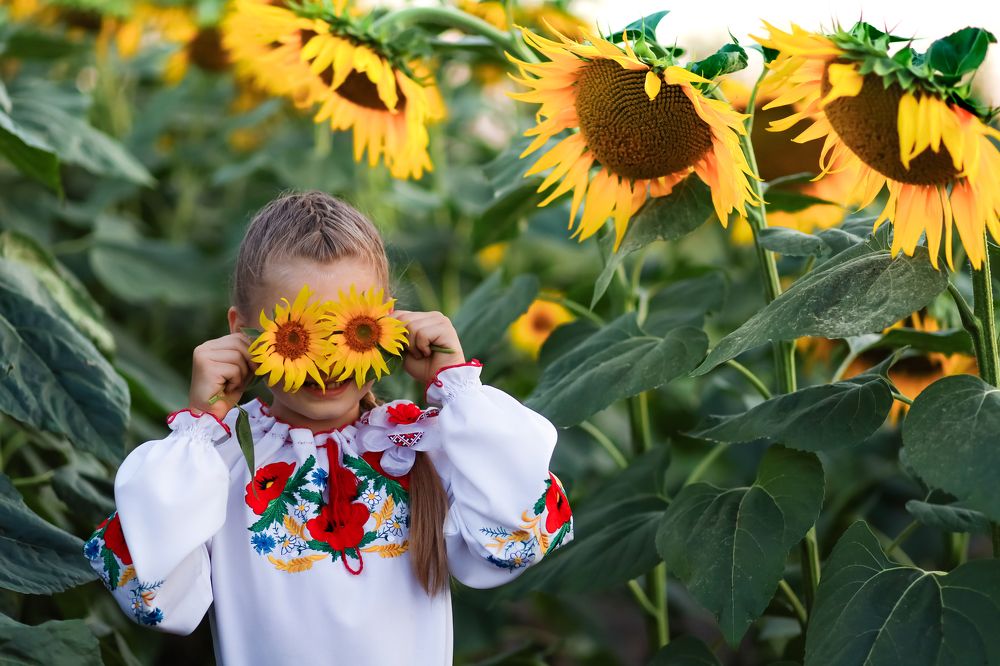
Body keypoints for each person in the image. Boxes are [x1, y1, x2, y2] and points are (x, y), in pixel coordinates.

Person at [82, 190, 574, 664]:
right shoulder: (218, 459)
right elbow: (151, 598)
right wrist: (199, 428)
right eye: (296, 335)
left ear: (389, 326)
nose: (327, 363)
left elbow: (519, 543)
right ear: (240, 333)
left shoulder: (422, 444)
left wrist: (459, 389)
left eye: (352, 331)